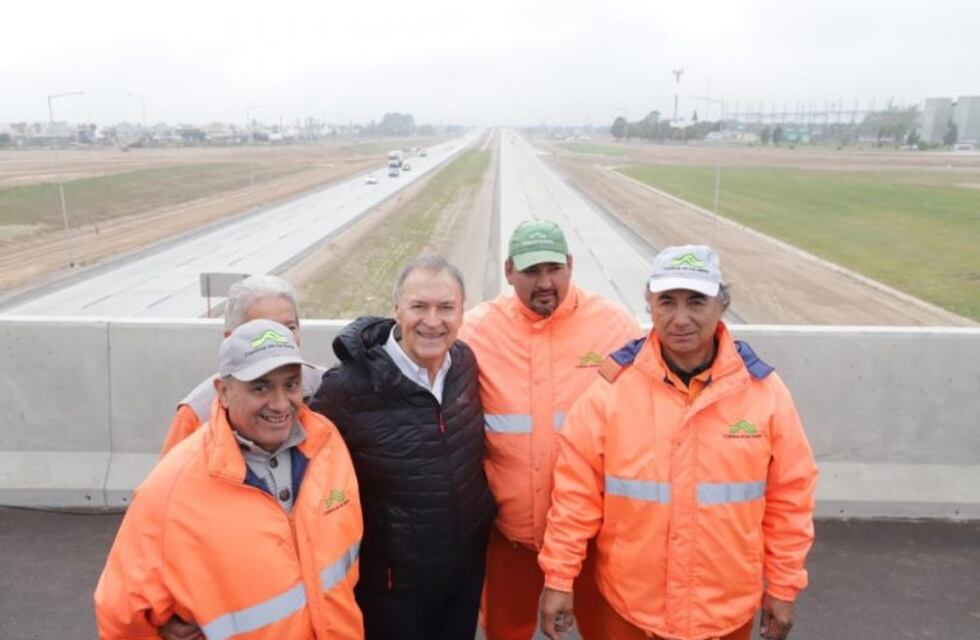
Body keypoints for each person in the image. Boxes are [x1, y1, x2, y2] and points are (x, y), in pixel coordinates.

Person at [538, 245, 819, 640]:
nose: (680, 319)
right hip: (632, 608)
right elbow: (573, 496)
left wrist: (784, 586)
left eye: (696, 302)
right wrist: (560, 578)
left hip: (725, 610)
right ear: (650, 306)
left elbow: (790, 498)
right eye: (667, 302)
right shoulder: (609, 393)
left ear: (721, 306)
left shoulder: (765, 395)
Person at [95, 319, 363, 639]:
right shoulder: (172, 489)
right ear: (222, 391)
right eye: (260, 387)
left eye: (290, 384)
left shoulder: (327, 444)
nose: (280, 404)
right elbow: (121, 613)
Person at [458, 219, 642, 640]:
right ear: (508, 272)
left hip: (595, 543)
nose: (544, 282)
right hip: (511, 541)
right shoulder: (475, 332)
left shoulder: (615, 326)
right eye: (530, 271)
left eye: (553, 269)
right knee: (506, 632)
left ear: (571, 266)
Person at [309, 255, 496, 640]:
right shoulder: (346, 388)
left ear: (463, 313)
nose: (432, 320)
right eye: (418, 306)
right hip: (392, 590)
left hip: (463, 574)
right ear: (396, 310)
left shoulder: (463, 363)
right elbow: (304, 478)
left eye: (446, 307)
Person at [160, 274, 325, 455]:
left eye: (290, 328)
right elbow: (172, 478)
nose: (280, 339)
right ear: (230, 339)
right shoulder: (196, 414)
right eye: (262, 331)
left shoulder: (327, 387)